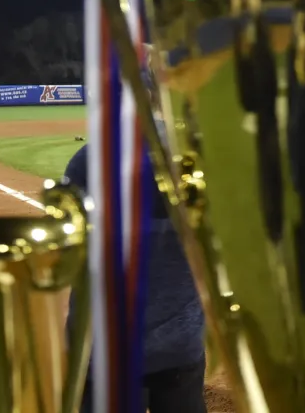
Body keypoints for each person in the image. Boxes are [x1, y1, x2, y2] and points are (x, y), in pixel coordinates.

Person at [65, 144, 208, 413]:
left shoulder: (91, 157)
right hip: (180, 342)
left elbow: (69, 254)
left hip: (106, 349)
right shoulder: (195, 159)